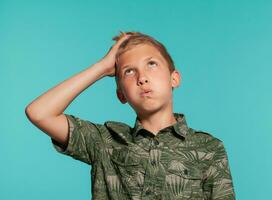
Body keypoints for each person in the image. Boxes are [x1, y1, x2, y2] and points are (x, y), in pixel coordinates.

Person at [25, 31, 236, 199]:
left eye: (151, 64)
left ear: (174, 78)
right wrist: (101, 68)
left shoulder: (209, 148)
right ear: (121, 95)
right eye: (129, 71)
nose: (142, 77)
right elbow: (39, 113)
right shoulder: (104, 142)